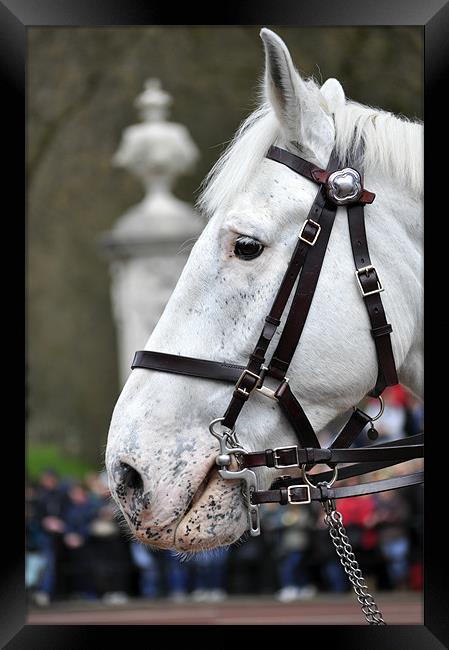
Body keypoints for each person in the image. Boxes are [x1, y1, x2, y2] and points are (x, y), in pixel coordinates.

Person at [32, 469, 67, 605]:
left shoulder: (60, 495)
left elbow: (65, 512)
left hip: (57, 534)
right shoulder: (38, 495)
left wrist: (59, 523)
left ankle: (49, 592)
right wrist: (45, 522)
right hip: (42, 535)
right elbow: (35, 516)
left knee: (53, 564)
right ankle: (43, 592)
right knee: (47, 564)